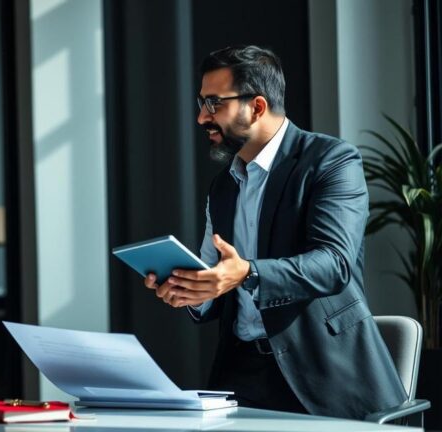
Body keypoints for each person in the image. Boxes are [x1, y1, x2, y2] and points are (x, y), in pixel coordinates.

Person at [144, 45, 406, 419]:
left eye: (214, 103)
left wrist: (248, 272)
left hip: (326, 375)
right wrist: (188, 290)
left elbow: (334, 264)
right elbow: (215, 277)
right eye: (201, 103)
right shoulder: (223, 186)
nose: (202, 117)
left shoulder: (331, 160)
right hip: (241, 377)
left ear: (257, 107)